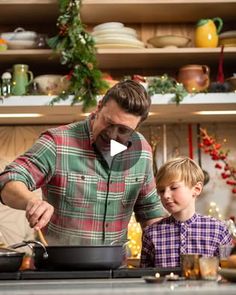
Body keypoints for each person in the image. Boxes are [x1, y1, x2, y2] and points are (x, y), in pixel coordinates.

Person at [0, 80, 164, 246]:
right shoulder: (58, 142)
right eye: (108, 122)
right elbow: (8, 180)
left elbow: (150, 211)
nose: (112, 135)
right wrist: (31, 202)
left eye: (123, 130)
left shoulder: (142, 150)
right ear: (99, 107)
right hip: (58, 268)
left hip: (115, 269)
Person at [140, 156, 233, 268]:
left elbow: (229, 272)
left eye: (174, 188)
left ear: (196, 189)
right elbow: (144, 278)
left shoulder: (219, 230)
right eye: (161, 190)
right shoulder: (151, 233)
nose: (165, 195)